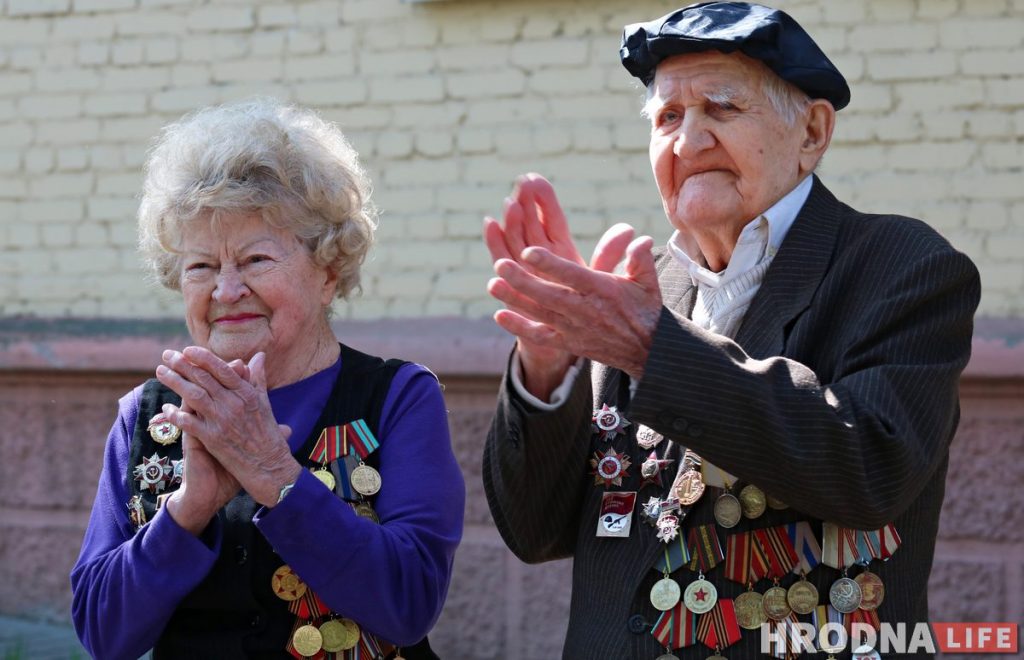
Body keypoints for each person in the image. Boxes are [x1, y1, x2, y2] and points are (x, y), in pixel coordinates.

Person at [482, 3, 980, 659]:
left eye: (720, 108)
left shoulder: (905, 268)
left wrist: (647, 347)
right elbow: (533, 532)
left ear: (811, 131)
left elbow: (871, 469)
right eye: (667, 117)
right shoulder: (640, 285)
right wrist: (548, 369)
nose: (687, 142)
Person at [71, 99, 465, 660]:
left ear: (328, 273)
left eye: (255, 260)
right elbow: (102, 634)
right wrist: (187, 511)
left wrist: (275, 475)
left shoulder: (398, 398)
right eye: (201, 267)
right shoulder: (146, 413)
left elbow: (410, 602)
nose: (226, 291)